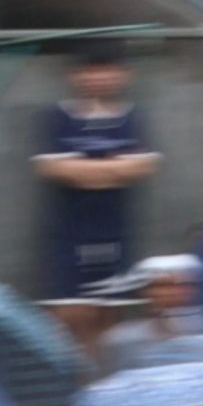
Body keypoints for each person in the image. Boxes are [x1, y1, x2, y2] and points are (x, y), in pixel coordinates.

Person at [33, 43, 161, 300]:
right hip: (68, 240)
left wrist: (82, 166)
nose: (99, 78)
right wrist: (114, 168)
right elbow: (53, 169)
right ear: (75, 75)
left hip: (118, 238)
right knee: (70, 314)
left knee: (113, 312)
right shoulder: (58, 116)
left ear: (124, 74)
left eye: (108, 70)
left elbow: (142, 168)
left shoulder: (132, 117)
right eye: (91, 71)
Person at [95, 254, 203, 372]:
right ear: (145, 291)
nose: (174, 292)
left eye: (184, 284)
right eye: (164, 286)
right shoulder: (120, 339)